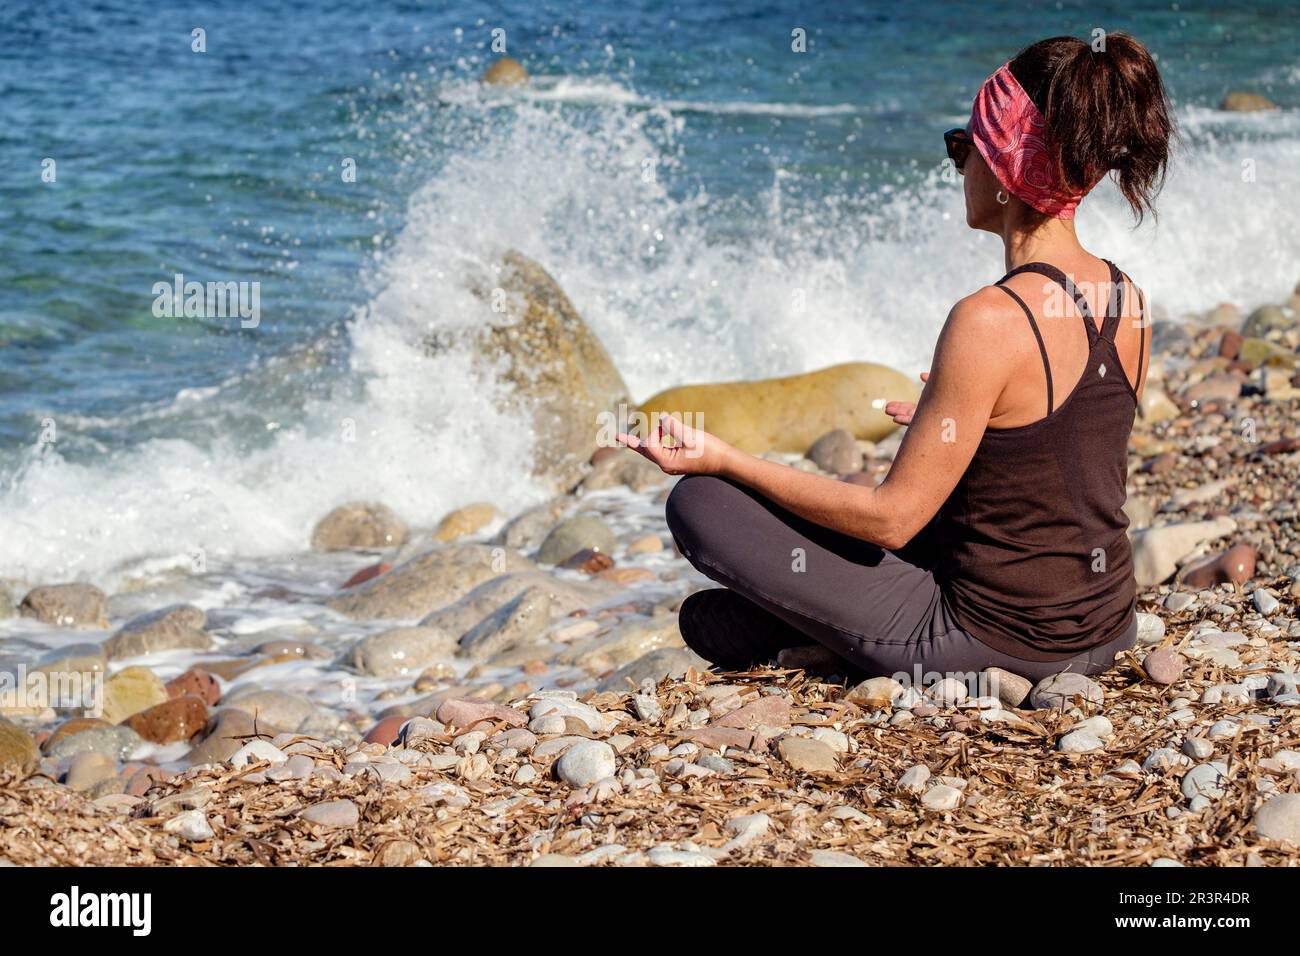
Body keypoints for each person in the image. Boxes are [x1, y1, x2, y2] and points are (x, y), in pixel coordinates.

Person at [619, 33, 1174, 684]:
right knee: (837, 501)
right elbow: (1069, 470)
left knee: (702, 504)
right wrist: (975, 429)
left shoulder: (989, 319)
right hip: (1108, 621)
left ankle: (818, 632)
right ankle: (809, 631)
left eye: (961, 146)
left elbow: (892, 520)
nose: (957, 164)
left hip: (995, 637)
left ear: (1003, 163)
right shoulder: (1126, 296)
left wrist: (726, 459)